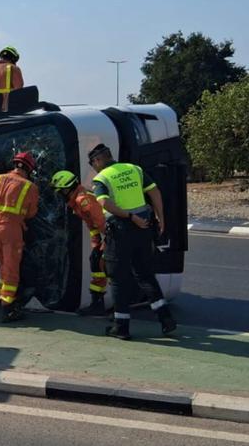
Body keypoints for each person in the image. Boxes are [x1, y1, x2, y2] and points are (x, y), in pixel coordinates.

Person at [89, 143, 176, 340]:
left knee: (118, 278)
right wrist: (161, 217)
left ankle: (121, 327)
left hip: (121, 232)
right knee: (145, 274)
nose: (93, 167)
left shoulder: (101, 178)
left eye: (93, 163)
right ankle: (166, 318)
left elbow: (103, 202)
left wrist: (129, 217)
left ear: (98, 160)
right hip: (143, 229)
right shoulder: (134, 169)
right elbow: (154, 191)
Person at [0, 151, 39, 323]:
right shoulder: (30, 187)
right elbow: (31, 213)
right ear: (30, 169)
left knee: (3, 264)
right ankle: (8, 308)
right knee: (11, 267)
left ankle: (2, 295)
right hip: (11, 229)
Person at [50, 170, 108, 316]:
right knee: (96, 261)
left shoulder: (82, 200)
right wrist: (96, 246)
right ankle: (97, 303)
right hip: (109, 234)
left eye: (60, 192)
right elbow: (92, 225)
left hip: (114, 234)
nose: (59, 195)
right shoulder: (77, 202)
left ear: (67, 189)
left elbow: (102, 221)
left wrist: (107, 242)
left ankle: (117, 307)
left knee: (109, 266)